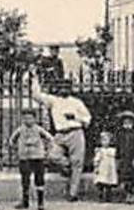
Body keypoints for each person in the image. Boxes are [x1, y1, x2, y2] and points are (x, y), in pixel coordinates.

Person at [29, 72, 92, 201]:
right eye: (61, 87)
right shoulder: (54, 101)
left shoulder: (76, 102)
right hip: (60, 133)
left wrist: (75, 117)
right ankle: (66, 166)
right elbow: (36, 96)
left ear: (70, 88)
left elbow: (88, 119)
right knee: (53, 156)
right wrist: (35, 79)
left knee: (77, 163)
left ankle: (72, 193)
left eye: (67, 87)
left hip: (75, 131)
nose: (64, 89)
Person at [9, 106, 54, 210]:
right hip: (24, 158)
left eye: (30, 118)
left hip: (38, 158)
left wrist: (46, 151)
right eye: (25, 118)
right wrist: (18, 149)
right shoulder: (20, 129)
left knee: (39, 180)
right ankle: (25, 202)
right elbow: (12, 140)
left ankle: (40, 203)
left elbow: (50, 138)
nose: (27, 121)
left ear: (34, 119)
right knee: (25, 180)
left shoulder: (38, 129)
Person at [114, 109, 134, 201]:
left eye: (129, 121)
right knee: (122, 175)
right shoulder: (120, 133)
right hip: (123, 157)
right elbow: (117, 145)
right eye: (125, 121)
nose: (127, 123)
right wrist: (117, 157)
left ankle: (131, 194)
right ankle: (123, 194)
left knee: (132, 176)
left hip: (132, 157)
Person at [92, 128, 119, 202]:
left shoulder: (112, 150)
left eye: (106, 140)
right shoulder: (100, 151)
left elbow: (115, 158)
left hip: (109, 168)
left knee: (108, 183)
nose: (105, 142)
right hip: (102, 168)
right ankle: (100, 195)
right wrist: (96, 166)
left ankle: (108, 196)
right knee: (101, 181)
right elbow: (97, 159)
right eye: (103, 140)